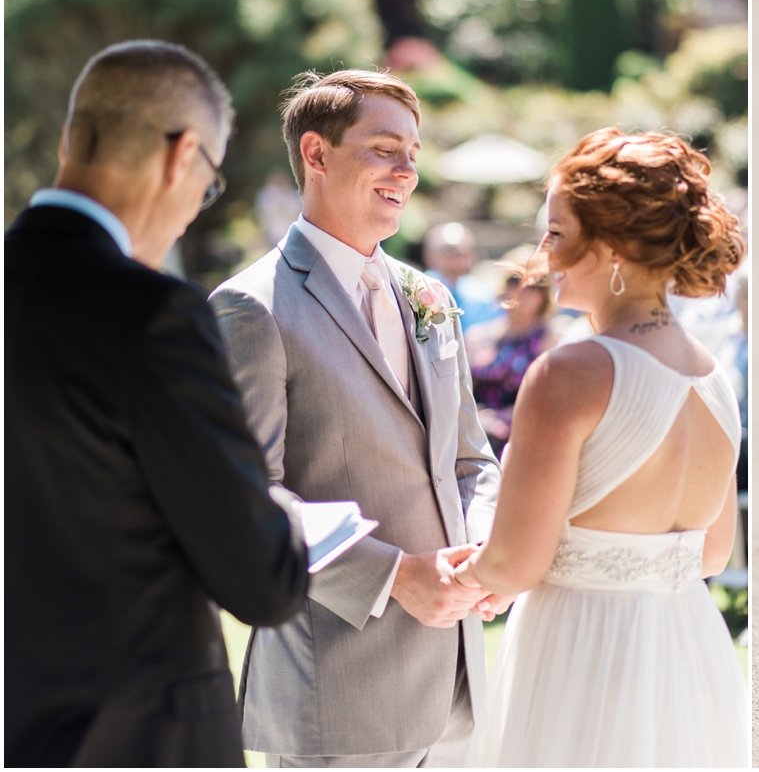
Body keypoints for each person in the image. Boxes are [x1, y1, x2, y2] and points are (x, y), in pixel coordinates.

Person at [6, 40, 308, 767]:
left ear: (70, 139)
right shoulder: (153, 316)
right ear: (183, 155)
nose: (191, 207)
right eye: (207, 185)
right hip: (139, 732)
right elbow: (262, 582)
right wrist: (290, 517)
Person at [210, 69, 501, 767]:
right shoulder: (251, 307)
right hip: (339, 688)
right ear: (316, 154)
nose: (407, 170)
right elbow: (247, 498)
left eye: (413, 152)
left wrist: (488, 550)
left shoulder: (427, 294)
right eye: (383, 149)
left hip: (455, 681)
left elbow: (470, 461)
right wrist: (398, 575)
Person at [454, 128, 750, 767]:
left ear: (612, 248)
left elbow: (512, 564)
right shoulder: (714, 375)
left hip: (582, 650)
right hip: (686, 646)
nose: (541, 254)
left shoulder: (572, 374)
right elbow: (715, 551)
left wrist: (456, 576)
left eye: (557, 233)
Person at [466, 247, 559, 455]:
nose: (524, 290)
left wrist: (500, 418)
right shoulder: (478, 336)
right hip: (474, 433)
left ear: (545, 295)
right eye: (516, 280)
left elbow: (546, 401)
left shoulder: (548, 342)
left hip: (518, 440)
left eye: (535, 284)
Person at [424, 221, 503, 331]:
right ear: (429, 255)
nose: (460, 258)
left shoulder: (482, 295)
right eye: (450, 251)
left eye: (465, 252)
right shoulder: (416, 289)